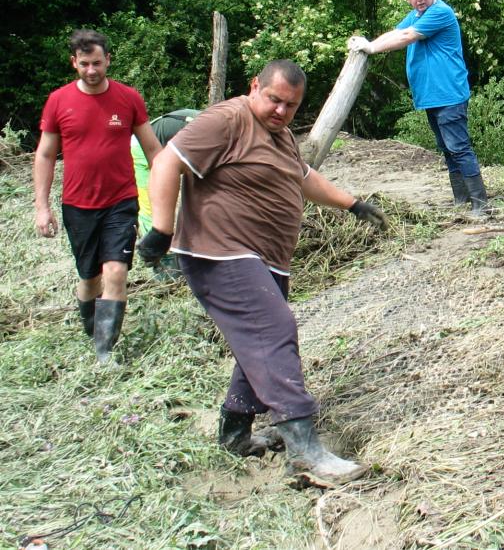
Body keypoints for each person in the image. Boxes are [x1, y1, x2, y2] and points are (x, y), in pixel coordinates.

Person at [137, 60, 387, 485]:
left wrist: (352, 203)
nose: (281, 111)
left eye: (291, 106)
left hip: (263, 258)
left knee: (257, 342)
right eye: (274, 100)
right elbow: (166, 162)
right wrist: (162, 228)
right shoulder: (227, 119)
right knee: (273, 331)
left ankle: (234, 434)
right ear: (255, 86)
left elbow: (303, 177)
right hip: (219, 252)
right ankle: (305, 449)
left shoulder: (281, 136)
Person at [34, 29, 162, 363]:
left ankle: (106, 353)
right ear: (74, 63)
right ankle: (93, 332)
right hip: (78, 205)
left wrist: (169, 192)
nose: (92, 70)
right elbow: (45, 155)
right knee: (89, 278)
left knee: (116, 272)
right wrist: (41, 207)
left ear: (108, 60)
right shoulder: (58, 101)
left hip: (120, 202)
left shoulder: (128, 98)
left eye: (98, 63)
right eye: (85, 63)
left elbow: (152, 149)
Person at [348, 0, 489, 216]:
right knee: (447, 148)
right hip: (433, 97)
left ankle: (481, 205)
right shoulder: (416, 15)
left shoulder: (440, 12)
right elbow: (395, 32)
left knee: (459, 147)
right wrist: (367, 42)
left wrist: (370, 48)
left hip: (449, 94)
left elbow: (406, 37)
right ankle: (461, 200)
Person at [132, 109, 200, 277]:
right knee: (153, 206)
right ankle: (162, 262)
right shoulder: (208, 131)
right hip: (141, 149)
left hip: (166, 151)